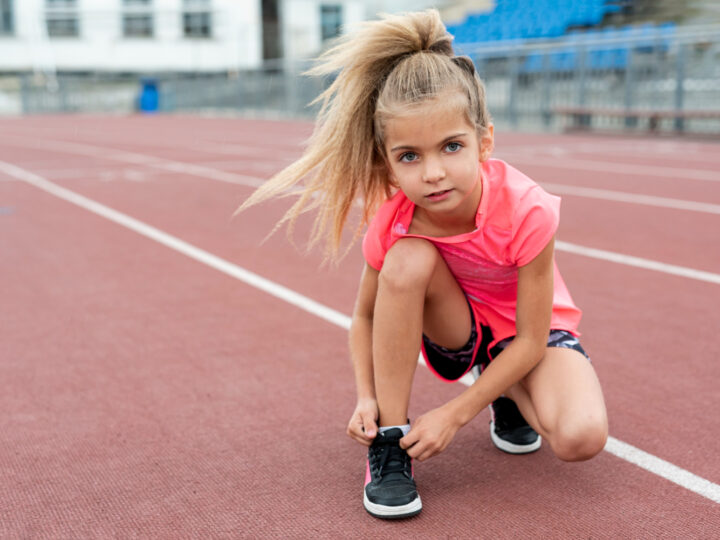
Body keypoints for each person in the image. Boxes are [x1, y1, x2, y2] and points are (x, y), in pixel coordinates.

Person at [237, 9, 608, 520]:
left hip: (525, 336)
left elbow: (528, 338)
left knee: (579, 436)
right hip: (455, 329)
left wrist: (456, 415)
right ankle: (389, 445)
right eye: (409, 156)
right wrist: (365, 399)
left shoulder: (529, 209)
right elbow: (365, 316)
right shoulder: (395, 221)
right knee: (408, 257)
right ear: (387, 162)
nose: (433, 173)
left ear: (485, 142)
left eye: (452, 147)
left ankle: (504, 396)